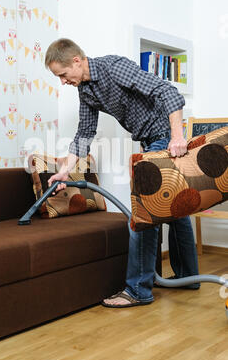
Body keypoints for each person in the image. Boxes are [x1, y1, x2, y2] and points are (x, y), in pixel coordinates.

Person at [45, 38, 200, 308]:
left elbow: (168, 91)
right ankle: (188, 277)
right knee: (175, 208)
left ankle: (138, 290)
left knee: (145, 210)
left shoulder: (113, 67)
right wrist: (64, 172)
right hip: (150, 141)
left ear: (77, 61)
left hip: (163, 137)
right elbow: (84, 135)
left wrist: (177, 136)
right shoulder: (86, 91)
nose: (63, 81)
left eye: (63, 74)